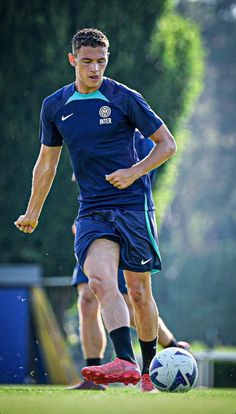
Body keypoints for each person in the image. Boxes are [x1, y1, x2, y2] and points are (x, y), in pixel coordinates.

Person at [14, 28, 177, 392]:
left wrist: (133, 173)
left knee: (138, 293)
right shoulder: (55, 106)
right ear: (73, 60)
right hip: (93, 210)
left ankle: (148, 370)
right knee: (100, 282)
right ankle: (124, 360)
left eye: (101, 62)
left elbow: (167, 144)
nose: (94, 68)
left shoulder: (124, 98)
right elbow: (46, 164)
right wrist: (32, 212)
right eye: (87, 61)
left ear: (107, 60)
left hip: (134, 207)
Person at [69, 133, 189, 391]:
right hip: (95, 224)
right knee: (90, 295)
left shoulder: (144, 139)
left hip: (131, 221)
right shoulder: (90, 129)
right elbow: (82, 177)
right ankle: (95, 377)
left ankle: (168, 350)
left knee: (136, 296)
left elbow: (152, 168)